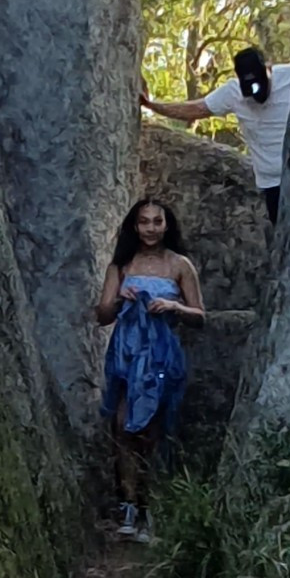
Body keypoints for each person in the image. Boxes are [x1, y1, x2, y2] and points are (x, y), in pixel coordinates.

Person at [94, 196, 204, 537]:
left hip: (161, 356)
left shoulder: (180, 265)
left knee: (155, 431)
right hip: (127, 356)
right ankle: (127, 503)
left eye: (157, 221)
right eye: (144, 222)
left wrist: (173, 306)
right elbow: (101, 315)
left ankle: (151, 505)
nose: (151, 228)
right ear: (135, 226)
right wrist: (118, 300)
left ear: (166, 225)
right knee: (124, 426)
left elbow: (200, 316)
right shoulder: (121, 266)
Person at [141, 44, 290, 223]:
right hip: (272, 184)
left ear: (268, 68)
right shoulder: (232, 92)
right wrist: (152, 105)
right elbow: (195, 109)